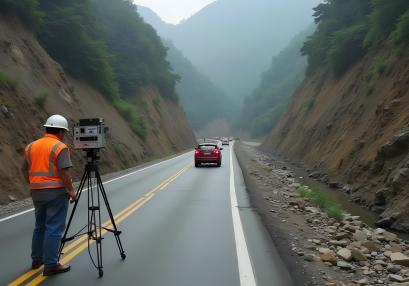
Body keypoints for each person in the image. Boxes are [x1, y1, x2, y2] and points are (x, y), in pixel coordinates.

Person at [22, 114, 76, 276]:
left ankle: (37, 259)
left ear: (46, 128)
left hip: (37, 193)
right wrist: (71, 191)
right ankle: (51, 264)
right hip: (55, 193)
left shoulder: (31, 146)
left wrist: (32, 185)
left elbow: (24, 169)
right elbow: (63, 171)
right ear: (60, 132)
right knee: (54, 228)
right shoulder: (60, 147)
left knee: (40, 226)